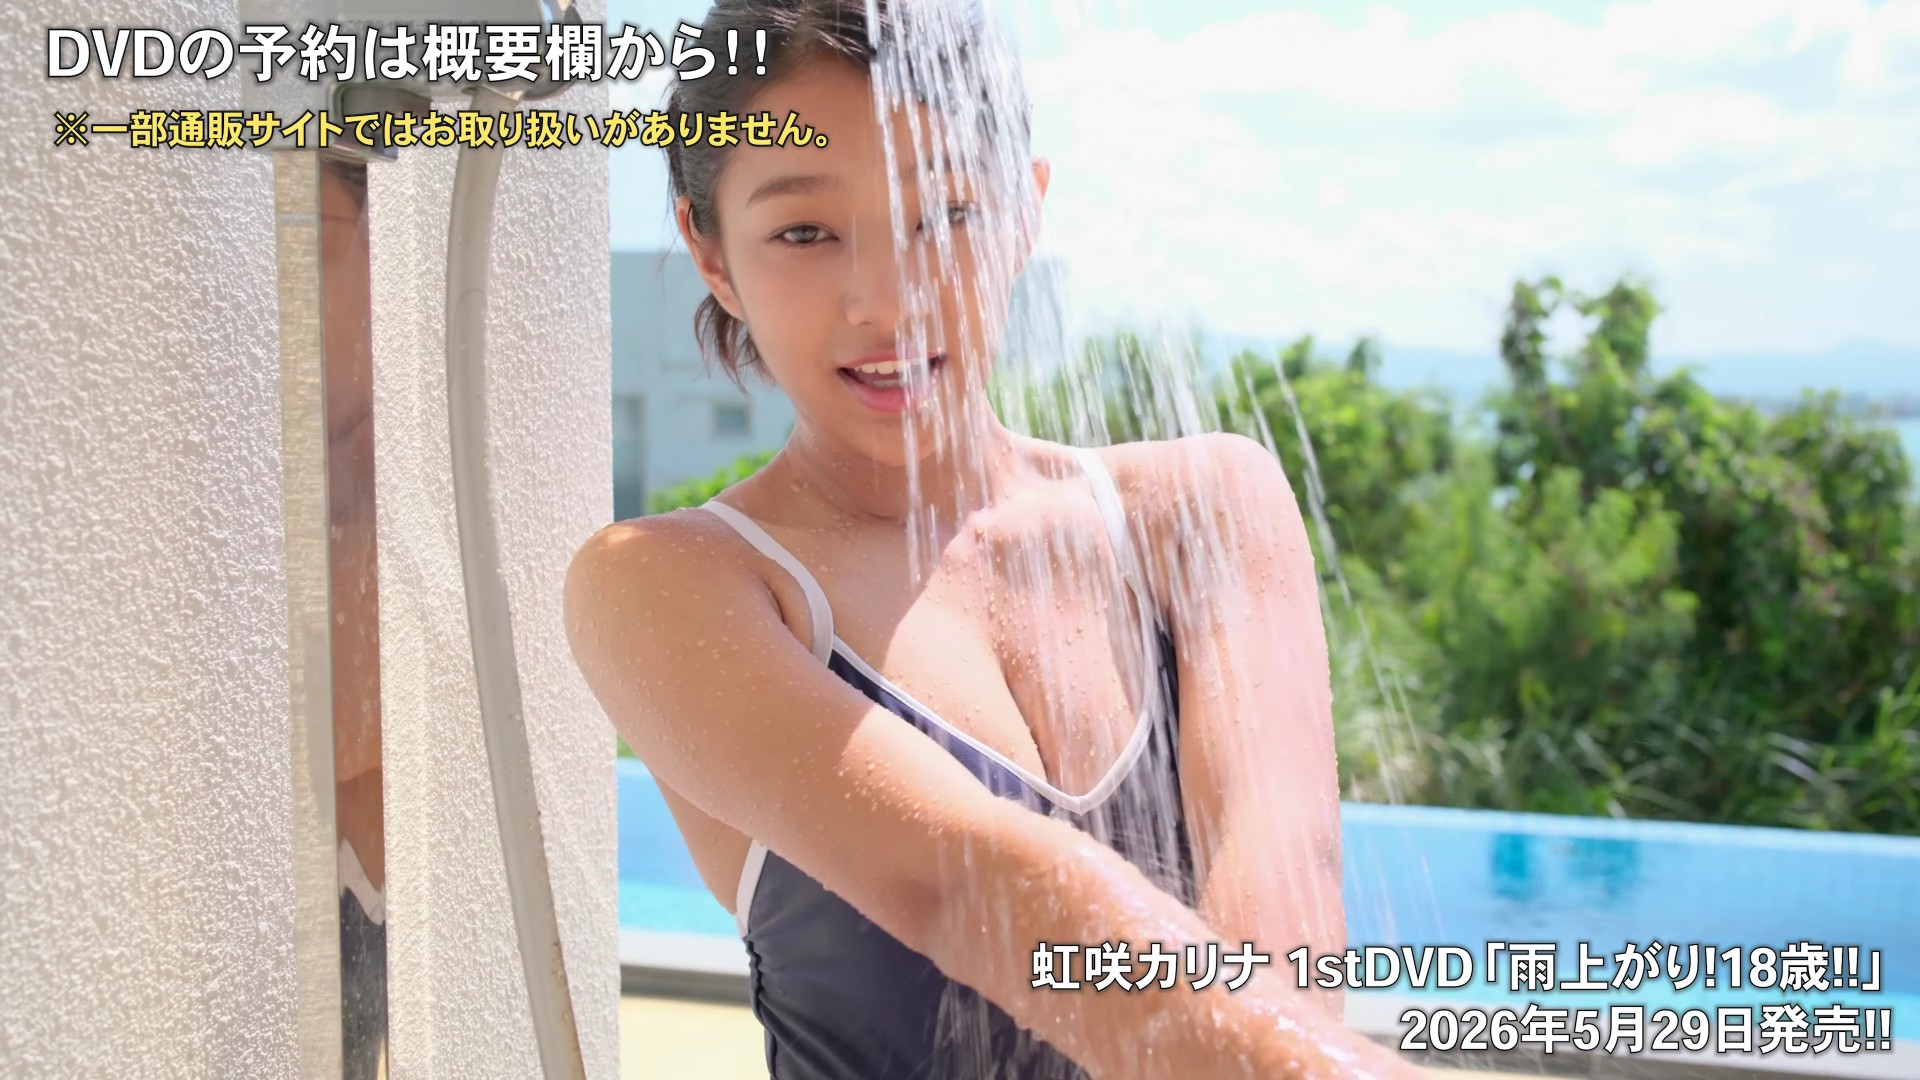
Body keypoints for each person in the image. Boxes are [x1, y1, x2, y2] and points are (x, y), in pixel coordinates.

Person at [565, 2, 1421, 1077]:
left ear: (1026, 209)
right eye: (804, 233)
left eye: (945, 216)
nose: (888, 304)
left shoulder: (1204, 510)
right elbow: (966, 886)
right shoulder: (670, 587)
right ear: (712, 253)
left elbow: (1283, 899)